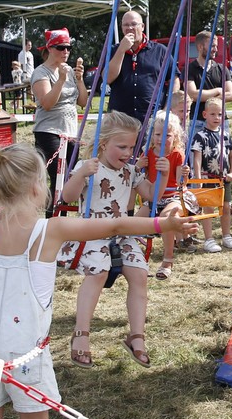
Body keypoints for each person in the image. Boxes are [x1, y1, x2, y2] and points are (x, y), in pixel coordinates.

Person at [0, 142, 198, 419]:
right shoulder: (50, 230)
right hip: (27, 354)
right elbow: (116, 226)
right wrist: (164, 225)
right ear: (37, 188)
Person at [59, 111, 173, 368]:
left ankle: (136, 337)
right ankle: (81, 334)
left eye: (131, 148)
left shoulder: (131, 172)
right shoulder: (89, 167)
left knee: (140, 274)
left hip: (121, 234)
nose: (128, 153)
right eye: (122, 147)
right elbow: (67, 197)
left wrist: (163, 176)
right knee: (98, 273)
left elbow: (152, 195)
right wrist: (80, 175)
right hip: (92, 233)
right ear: (103, 144)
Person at [29, 29, 87, 213]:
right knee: (57, 178)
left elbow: (83, 102)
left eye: (68, 48)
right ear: (49, 48)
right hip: (49, 131)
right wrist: (60, 80)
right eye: (61, 48)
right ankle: (52, 220)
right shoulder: (41, 72)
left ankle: (61, 220)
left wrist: (79, 80)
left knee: (69, 178)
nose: (66, 52)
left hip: (70, 132)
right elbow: (47, 103)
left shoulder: (68, 70)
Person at [190, 102, 232, 251]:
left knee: (226, 207)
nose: (217, 117)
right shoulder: (200, 136)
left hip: (224, 179)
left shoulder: (225, 135)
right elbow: (197, 158)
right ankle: (209, 239)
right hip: (207, 178)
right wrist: (198, 179)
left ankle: (226, 236)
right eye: (213, 114)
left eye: (220, 114)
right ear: (205, 115)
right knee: (208, 208)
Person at [105, 10, 167, 123]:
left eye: (134, 24)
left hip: (151, 117)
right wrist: (121, 50)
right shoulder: (112, 51)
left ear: (142, 26)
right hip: (120, 119)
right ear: (121, 28)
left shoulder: (160, 51)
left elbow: (174, 80)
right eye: (126, 25)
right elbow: (107, 78)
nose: (130, 28)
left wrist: (166, 109)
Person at [144, 111, 186, 280]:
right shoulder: (148, 153)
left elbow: (180, 183)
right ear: (152, 135)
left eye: (167, 135)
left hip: (173, 197)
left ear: (175, 137)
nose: (161, 139)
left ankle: (168, 260)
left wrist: (184, 174)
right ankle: (132, 259)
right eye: (157, 134)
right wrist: (139, 165)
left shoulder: (177, 154)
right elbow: (141, 177)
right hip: (154, 198)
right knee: (133, 221)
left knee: (166, 218)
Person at [183, 30, 232, 125]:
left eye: (216, 46)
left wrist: (204, 97)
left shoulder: (222, 69)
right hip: (198, 122)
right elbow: (193, 95)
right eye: (212, 46)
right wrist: (218, 90)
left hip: (221, 122)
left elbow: (230, 95)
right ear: (200, 47)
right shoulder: (189, 69)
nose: (216, 49)